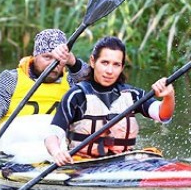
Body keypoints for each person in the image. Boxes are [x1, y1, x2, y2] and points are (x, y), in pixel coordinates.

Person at [44, 36, 175, 166]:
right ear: (93, 61)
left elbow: (163, 115)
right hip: (84, 165)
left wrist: (169, 95)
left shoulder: (132, 95)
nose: (109, 71)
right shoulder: (76, 96)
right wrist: (56, 152)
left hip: (125, 163)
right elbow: (53, 133)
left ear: (122, 67)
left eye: (116, 64)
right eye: (105, 63)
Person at [0, 29, 88, 165]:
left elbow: (97, 86)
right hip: (10, 153)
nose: (53, 65)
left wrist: (74, 63)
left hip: (57, 152)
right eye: (47, 57)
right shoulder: (10, 79)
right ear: (35, 56)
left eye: (58, 60)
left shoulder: (72, 82)